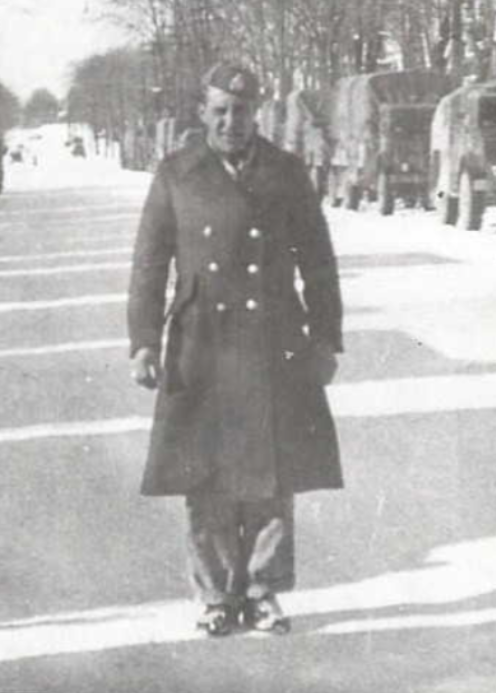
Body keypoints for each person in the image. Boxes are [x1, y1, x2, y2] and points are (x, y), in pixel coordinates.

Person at [128, 62, 344, 637]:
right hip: (200, 345)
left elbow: (318, 263)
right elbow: (149, 266)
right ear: (203, 113)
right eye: (220, 110)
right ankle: (216, 595)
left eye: (242, 111)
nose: (231, 122)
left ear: (257, 114)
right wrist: (143, 343)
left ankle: (263, 590)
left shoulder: (286, 172)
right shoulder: (176, 174)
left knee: (273, 472)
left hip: (274, 342)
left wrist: (326, 338)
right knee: (205, 474)